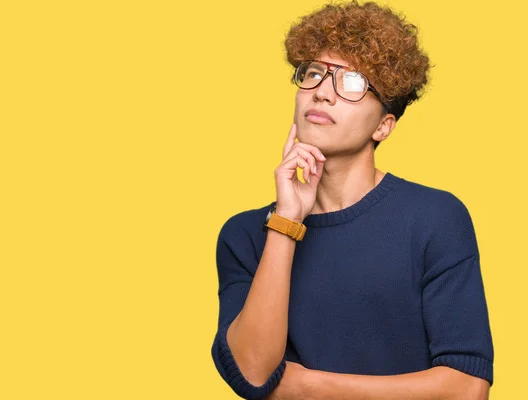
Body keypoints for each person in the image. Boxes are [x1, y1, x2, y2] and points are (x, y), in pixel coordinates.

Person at [210, 1, 494, 399]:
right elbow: (254, 374)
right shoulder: (245, 234)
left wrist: (308, 385)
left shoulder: (436, 219)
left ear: (383, 125)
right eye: (313, 74)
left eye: (353, 82)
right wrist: (287, 222)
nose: (323, 93)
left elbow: (466, 389)